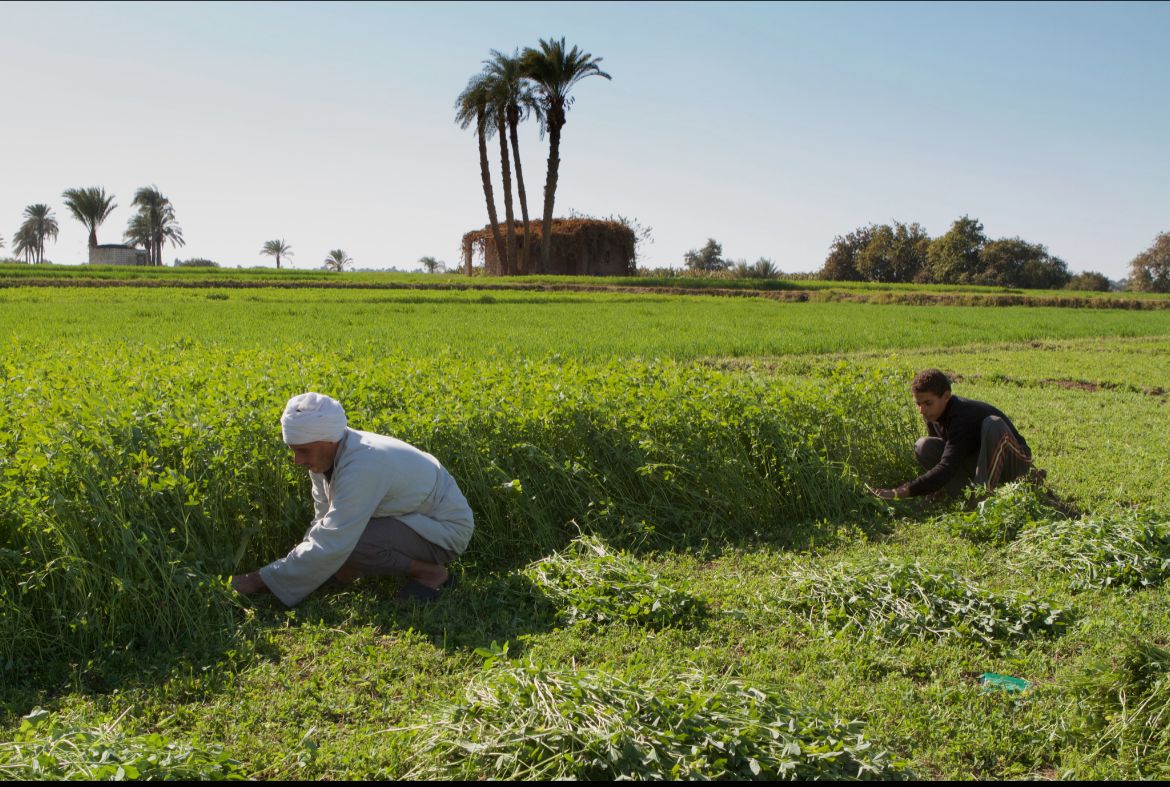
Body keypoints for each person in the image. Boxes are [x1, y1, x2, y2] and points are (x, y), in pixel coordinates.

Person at [232, 392, 474, 606]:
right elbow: (323, 519)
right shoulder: (327, 456)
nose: (297, 460)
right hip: (409, 520)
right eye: (293, 450)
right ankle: (334, 574)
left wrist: (259, 580)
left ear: (328, 441)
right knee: (338, 542)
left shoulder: (364, 464)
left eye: (302, 451)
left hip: (444, 531)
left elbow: (336, 537)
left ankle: (431, 573)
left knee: (350, 544)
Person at [871, 368, 1037, 501]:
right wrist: (936, 485)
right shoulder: (933, 415)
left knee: (993, 424)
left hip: (1014, 463)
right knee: (924, 445)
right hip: (980, 461)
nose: (922, 410)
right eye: (918, 404)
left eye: (928, 403)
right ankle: (969, 500)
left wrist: (900, 492)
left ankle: (983, 499)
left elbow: (947, 467)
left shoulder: (961, 416)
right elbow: (947, 458)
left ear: (946, 397)